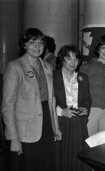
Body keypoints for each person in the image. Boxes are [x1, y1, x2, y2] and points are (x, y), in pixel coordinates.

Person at [2, 27, 61, 171]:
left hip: (46, 122)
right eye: (32, 42)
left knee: (45, 163)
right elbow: (8, 105)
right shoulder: (15, 66)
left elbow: (52, 100)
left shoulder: (47, 66)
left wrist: (56, 127)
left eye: (40, 43)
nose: (37, 47)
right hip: (25, 128)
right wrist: (13, 137)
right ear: (24, 45)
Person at [53, 45, 91, 171]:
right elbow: (48, 101)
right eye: (69, 58)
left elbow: (87, 99)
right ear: (62, 59)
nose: (72, 62)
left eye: (76, 59)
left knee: (79, 157)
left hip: (78, 123)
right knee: (60, 157)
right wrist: (61, 111)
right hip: (60, 122)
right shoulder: (53, 76)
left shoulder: (83, 77)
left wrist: (85, 109)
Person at [80, 35, 105, 136]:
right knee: (89, 141)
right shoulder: (86, 67)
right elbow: (80, 90)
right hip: (91, 110)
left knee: (104, 143)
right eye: (103, 47)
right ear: (98, 49)